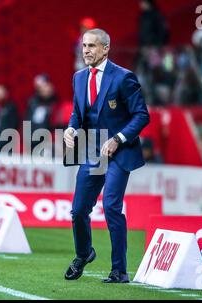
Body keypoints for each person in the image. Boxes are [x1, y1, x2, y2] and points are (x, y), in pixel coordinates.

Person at [63, 29, 150, 283]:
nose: (86, 50)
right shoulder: (79, 78)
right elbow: (78, 113)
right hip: (92, 152)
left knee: (111, 206)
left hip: (120, 151)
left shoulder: (124, 78)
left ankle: (119, 271)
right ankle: (84, 254)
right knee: (79, 210)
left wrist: (118, 139)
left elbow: (142, 115)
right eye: (84, 46)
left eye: (92, 46)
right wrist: (70, 128)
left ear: (106, 48)